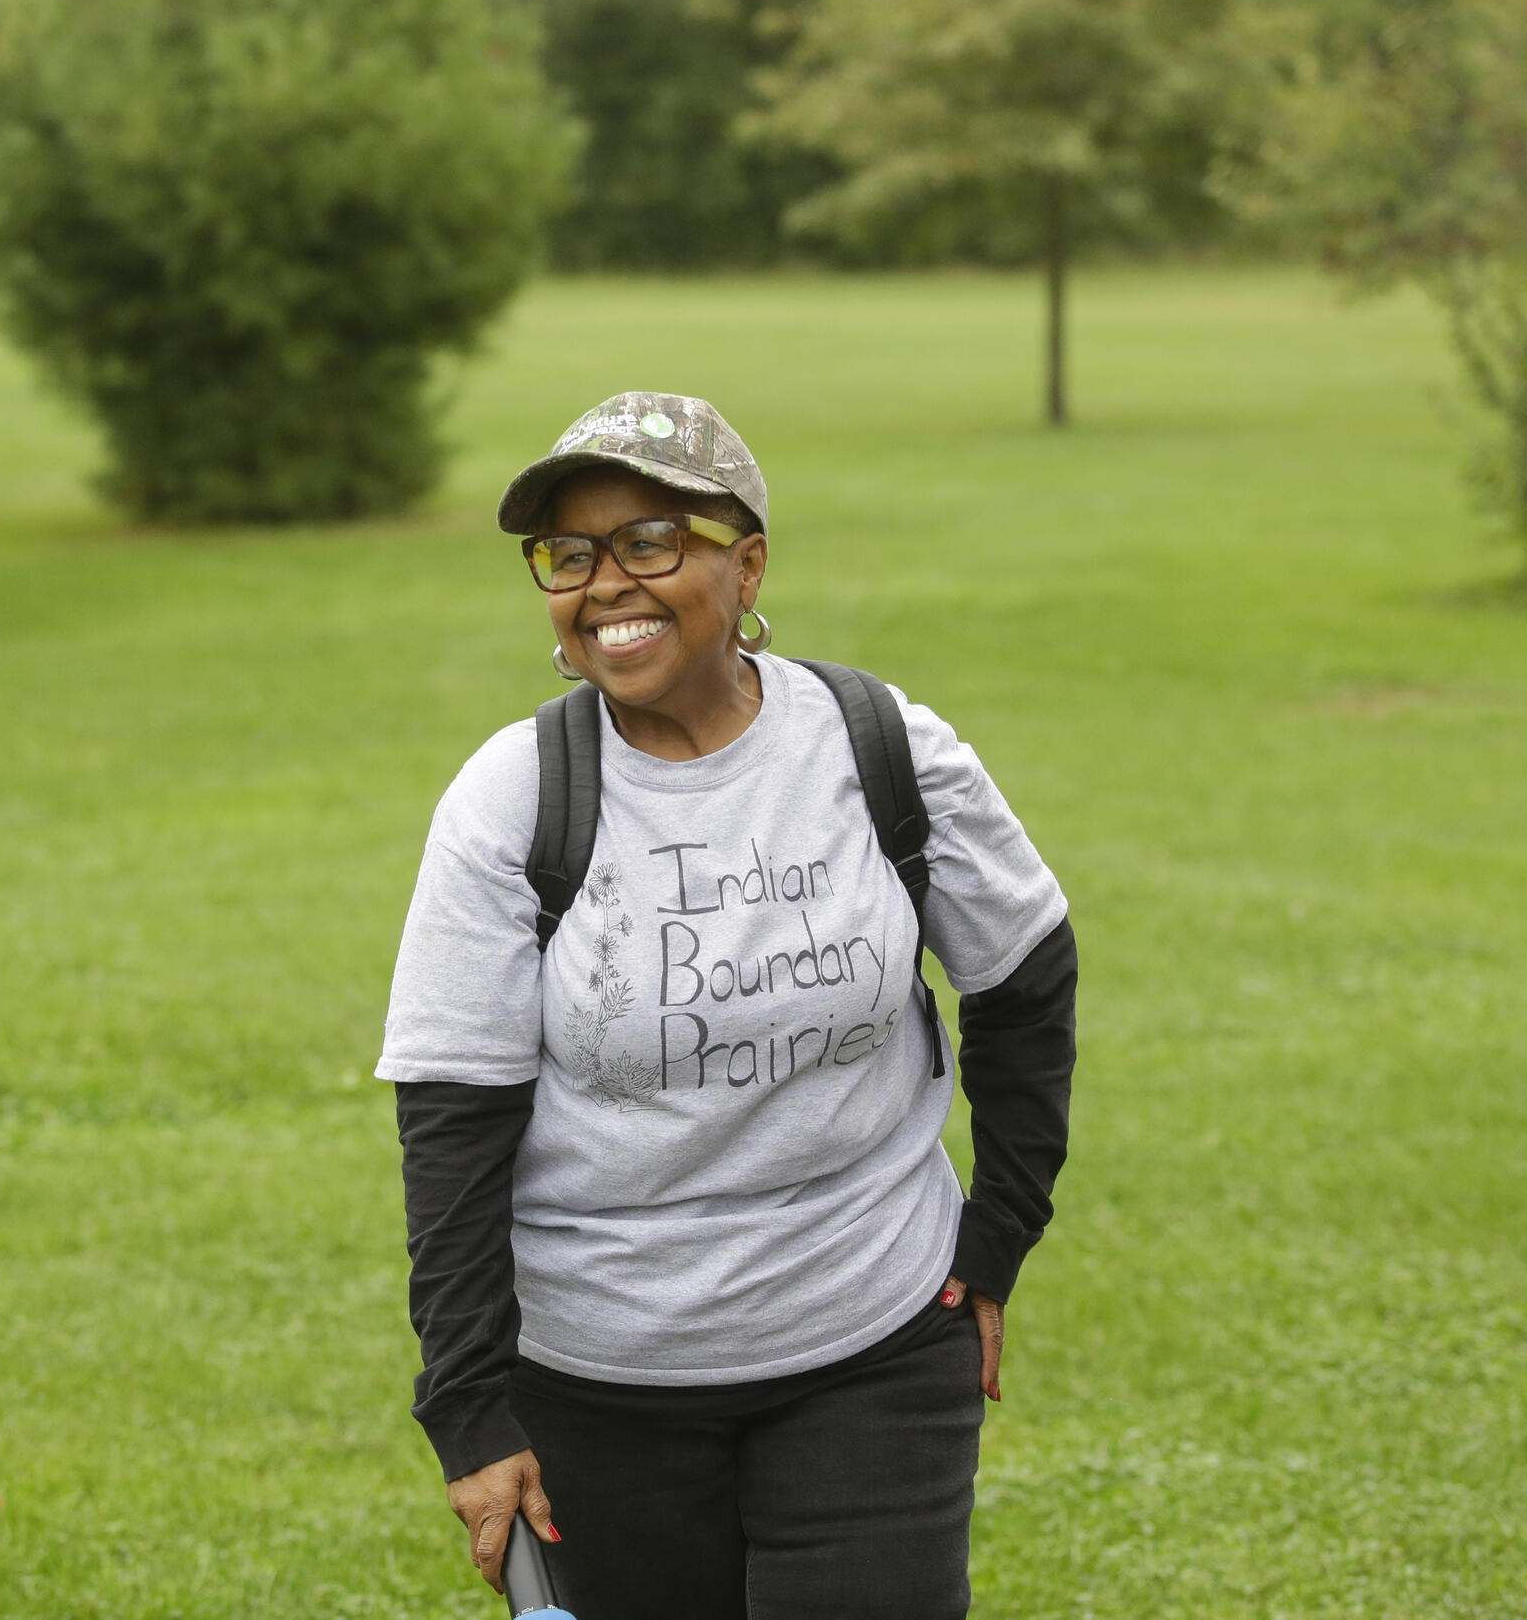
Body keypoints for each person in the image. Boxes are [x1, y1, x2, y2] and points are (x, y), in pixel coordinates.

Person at [375, 390, 1079, 1620]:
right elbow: (451, 1126)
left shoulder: (880, 747)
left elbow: (1023, 979)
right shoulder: (511, 799)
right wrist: (470, 1409)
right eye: (570, 553)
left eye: (651, 540)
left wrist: (997, 1236)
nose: (605, 584)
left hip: (874, 1342)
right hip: (598, 1385)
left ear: (747, 563)